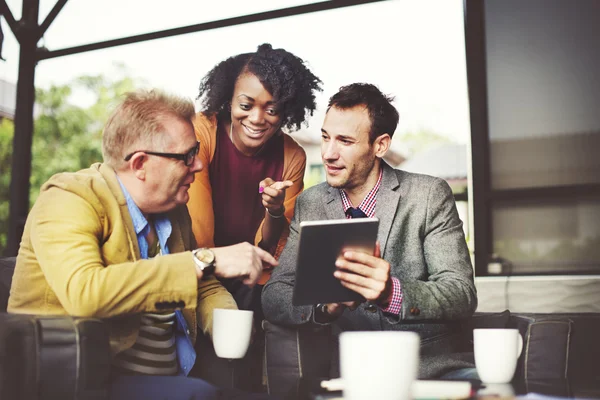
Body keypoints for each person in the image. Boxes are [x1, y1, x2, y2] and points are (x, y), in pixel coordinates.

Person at [7, 89, 278, 399]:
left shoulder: (173, 211)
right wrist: (204, 259)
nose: (199, 166)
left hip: (171, 380)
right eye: (186, 156)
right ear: (139, 164)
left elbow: (204, 287)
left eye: (197, 151)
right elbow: (85, 293)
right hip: (82, 383)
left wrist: (228, 323)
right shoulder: (70, 198)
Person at [262, 83, 478, 379]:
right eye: (325, 138)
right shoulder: (310, 203)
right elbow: (274, 294)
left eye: (345, 141)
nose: (328, 153)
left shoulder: (428, 194)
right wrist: (326, 305)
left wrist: (392, 293)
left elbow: (461, 294)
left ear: (380, 145)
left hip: (430, 369)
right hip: (350, 374)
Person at [186, 43, 322, 390]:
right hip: (200, 264)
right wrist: (217, 264)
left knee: (252, 323)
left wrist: (273, 209)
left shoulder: (291, 155)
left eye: (272, 109)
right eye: (245, 105)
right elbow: (200, 233)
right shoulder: (203, 132)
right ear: (228, 100)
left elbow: (270, 246)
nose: (257, 119)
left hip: (252, 275)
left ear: (286, 110)